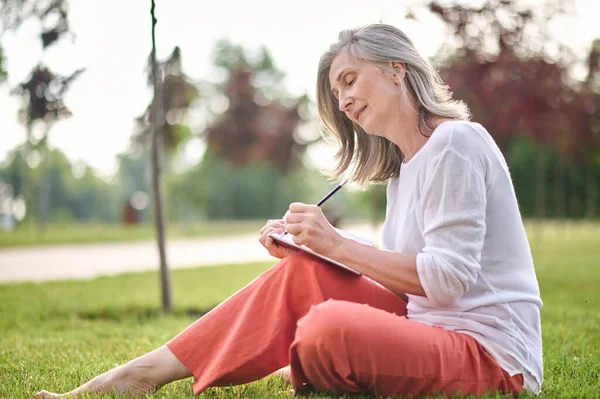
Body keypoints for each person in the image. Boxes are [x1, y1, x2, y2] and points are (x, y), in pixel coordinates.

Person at [37, 23, 543, 398]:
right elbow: (406, 279)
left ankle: (311, 356)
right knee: (304, 276)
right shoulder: (407, 169)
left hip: (490, 358)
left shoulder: (454, 143)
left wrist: (338, 244)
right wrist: (319, 250)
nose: (343, 100)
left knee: (325, 330)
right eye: (336, 91)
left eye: (349, 80)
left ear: (397, 69)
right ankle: (138, 376)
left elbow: (448, 279)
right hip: (429, 331)